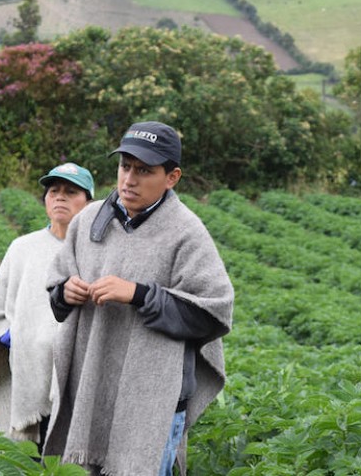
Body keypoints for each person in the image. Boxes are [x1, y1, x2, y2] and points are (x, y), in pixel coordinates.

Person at [43, 121, 234, 475]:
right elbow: (56, 295)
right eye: (125, 166)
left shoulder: (186, 232)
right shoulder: (88, 221)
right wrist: (65, 292)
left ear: (172, 177)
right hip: (92, 388)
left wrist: (139, 294)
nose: (129, 179)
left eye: (144, 171)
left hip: (152, 401)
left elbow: (213, 313)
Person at [0, 162, 95, 454]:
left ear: (89, 202)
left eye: (71, 191)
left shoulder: (98, 251)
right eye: (54, 191)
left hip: (83, 373)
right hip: (32, 371)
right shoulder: (23, 248)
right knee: (37, 454)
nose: (60, 197)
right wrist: (11, 336)